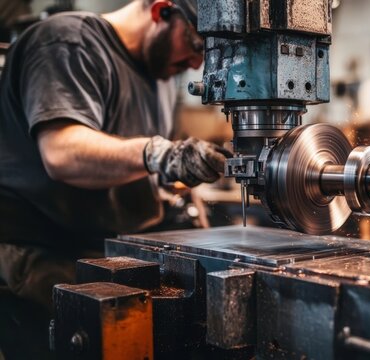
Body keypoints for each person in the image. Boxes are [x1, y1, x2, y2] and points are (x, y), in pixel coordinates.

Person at [0, 0, 229, 357]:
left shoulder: (161, 77)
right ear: (160, 11)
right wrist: (160, 154)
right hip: (46, 252)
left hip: (115, 254)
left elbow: (149, 171)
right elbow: (62, 154)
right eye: (197, 44)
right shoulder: (67, 43)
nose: (197, 63)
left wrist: (183, 180)